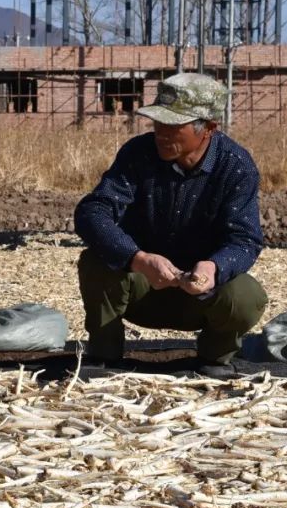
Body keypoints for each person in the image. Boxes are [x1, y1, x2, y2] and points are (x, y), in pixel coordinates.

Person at [74, 72, 268, 370]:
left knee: (245, 295)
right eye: (158, 123)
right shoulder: (138, 153)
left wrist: (213, 268)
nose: (162, 133)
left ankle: (214, 358)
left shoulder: (236, 166)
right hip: (140, 288)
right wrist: (137, 259)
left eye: (174, 126)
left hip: (201, 298)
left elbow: (245, 239)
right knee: (96, 262)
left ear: (209, 129)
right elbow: (93, 212)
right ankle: (104, 356)